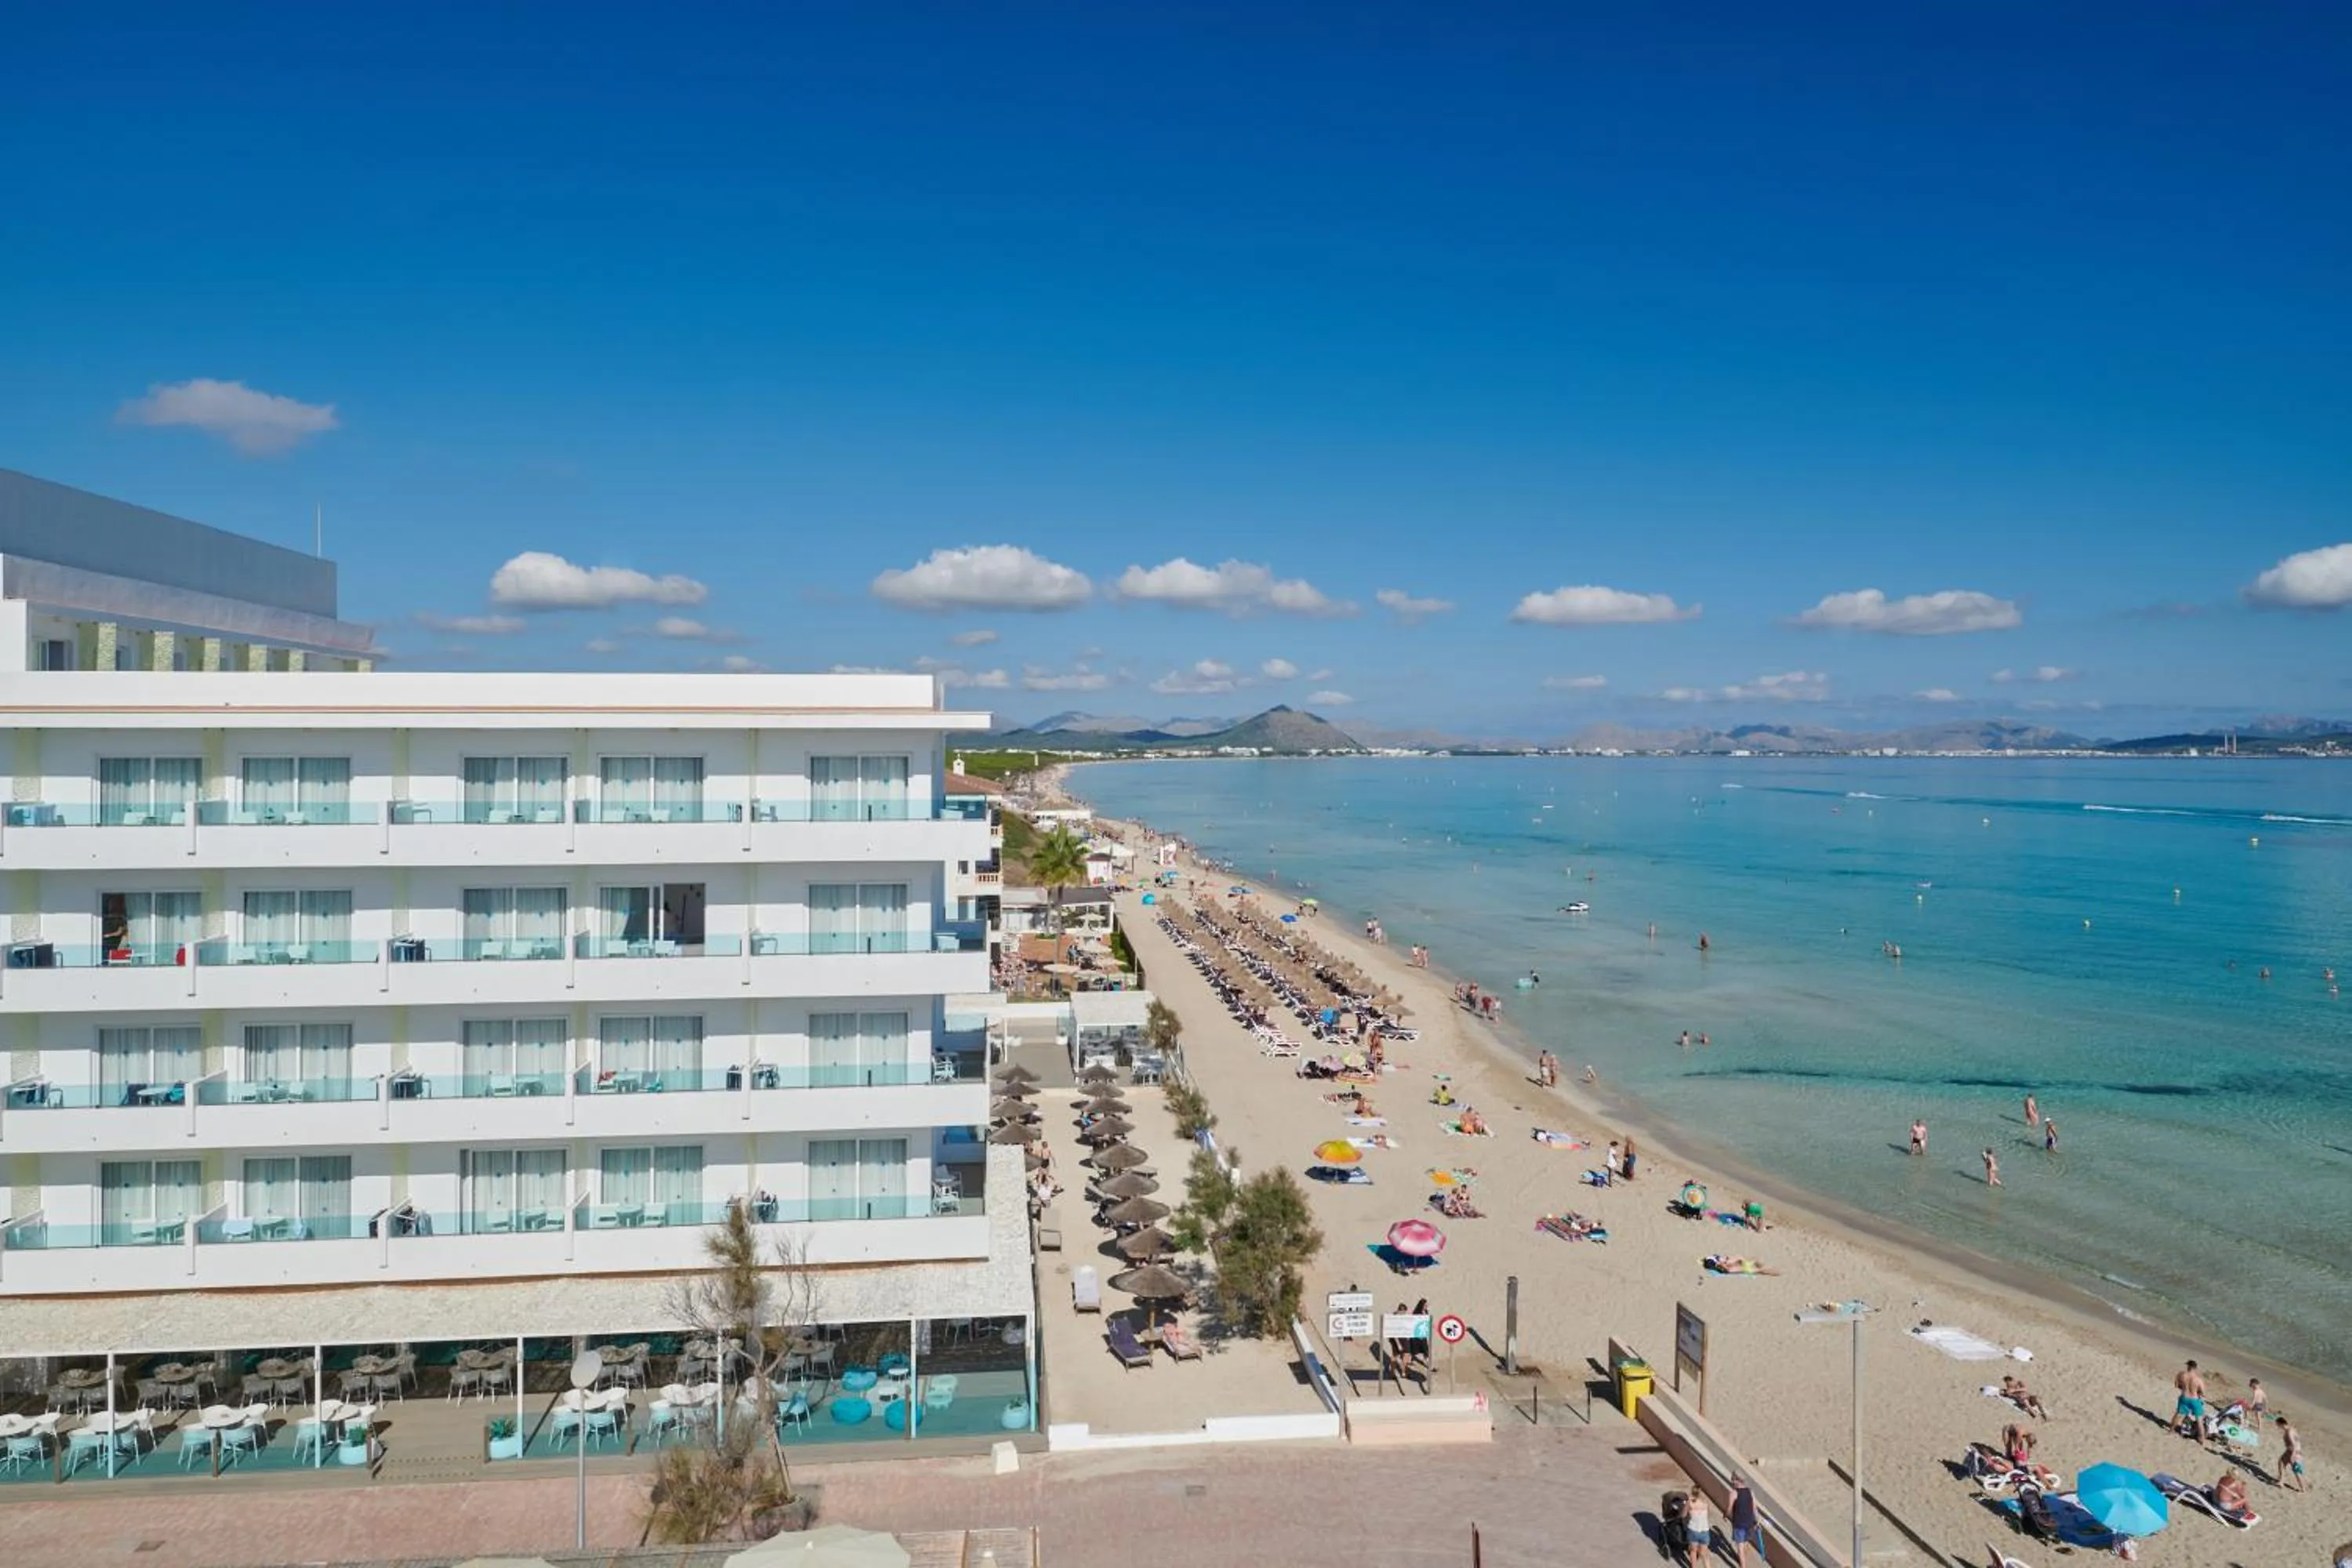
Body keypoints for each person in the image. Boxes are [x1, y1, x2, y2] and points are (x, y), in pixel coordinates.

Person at [1728, 1472, 1762, 1567]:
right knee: (1746, 1543)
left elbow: (1729, 1508)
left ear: (1737, 1481)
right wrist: (1758, 1520)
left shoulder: (1734, 1493)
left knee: (1740, 1548)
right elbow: (1754, 1507)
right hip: (1749, 1523)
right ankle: (1742, 1559)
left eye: (1733, 1480)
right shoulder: (1750, 1491)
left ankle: (1743, 1564)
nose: (1731, 1482)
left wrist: (1725, 1515)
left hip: (1739, 1524)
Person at [2172, 1359, 2206, 1439]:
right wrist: (2196, 1392)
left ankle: (2171, 1430)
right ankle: (2202, 1440)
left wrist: (2184, 1388)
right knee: (2199, 1420)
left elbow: (2177, 1385)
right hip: (2194, 1399)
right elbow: (2203, 1393)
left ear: (2188, 1366)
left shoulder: (2181, 1375)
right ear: (2195, 1368)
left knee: (2178, 1415)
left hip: (2184, 1397)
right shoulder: (2198, 1380)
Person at [2277, 1414, 2307, 1490]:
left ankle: (2302, 1488)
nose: (2278, 1427)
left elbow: (2293, 1444)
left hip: (2293, 1452)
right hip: (2292, 1451)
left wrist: (2293, 1455)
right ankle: (2281, 1481)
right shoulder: (2292, 1429)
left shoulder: (2289, 1432)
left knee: (2296, 1470)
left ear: (2281, 1424)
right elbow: (2298, 1440)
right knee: (2281, 1463)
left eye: (2278, 1425)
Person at [1682, 1489, 1712, 1566]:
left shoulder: (1690, 1503)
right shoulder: (1706, 1503)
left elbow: (1683, 1515)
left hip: (1693, 1530)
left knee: (1693, 1551)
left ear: (1693, 1493)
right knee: (1704, 1554)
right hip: (1704, 1530)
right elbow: (1708, 1514)